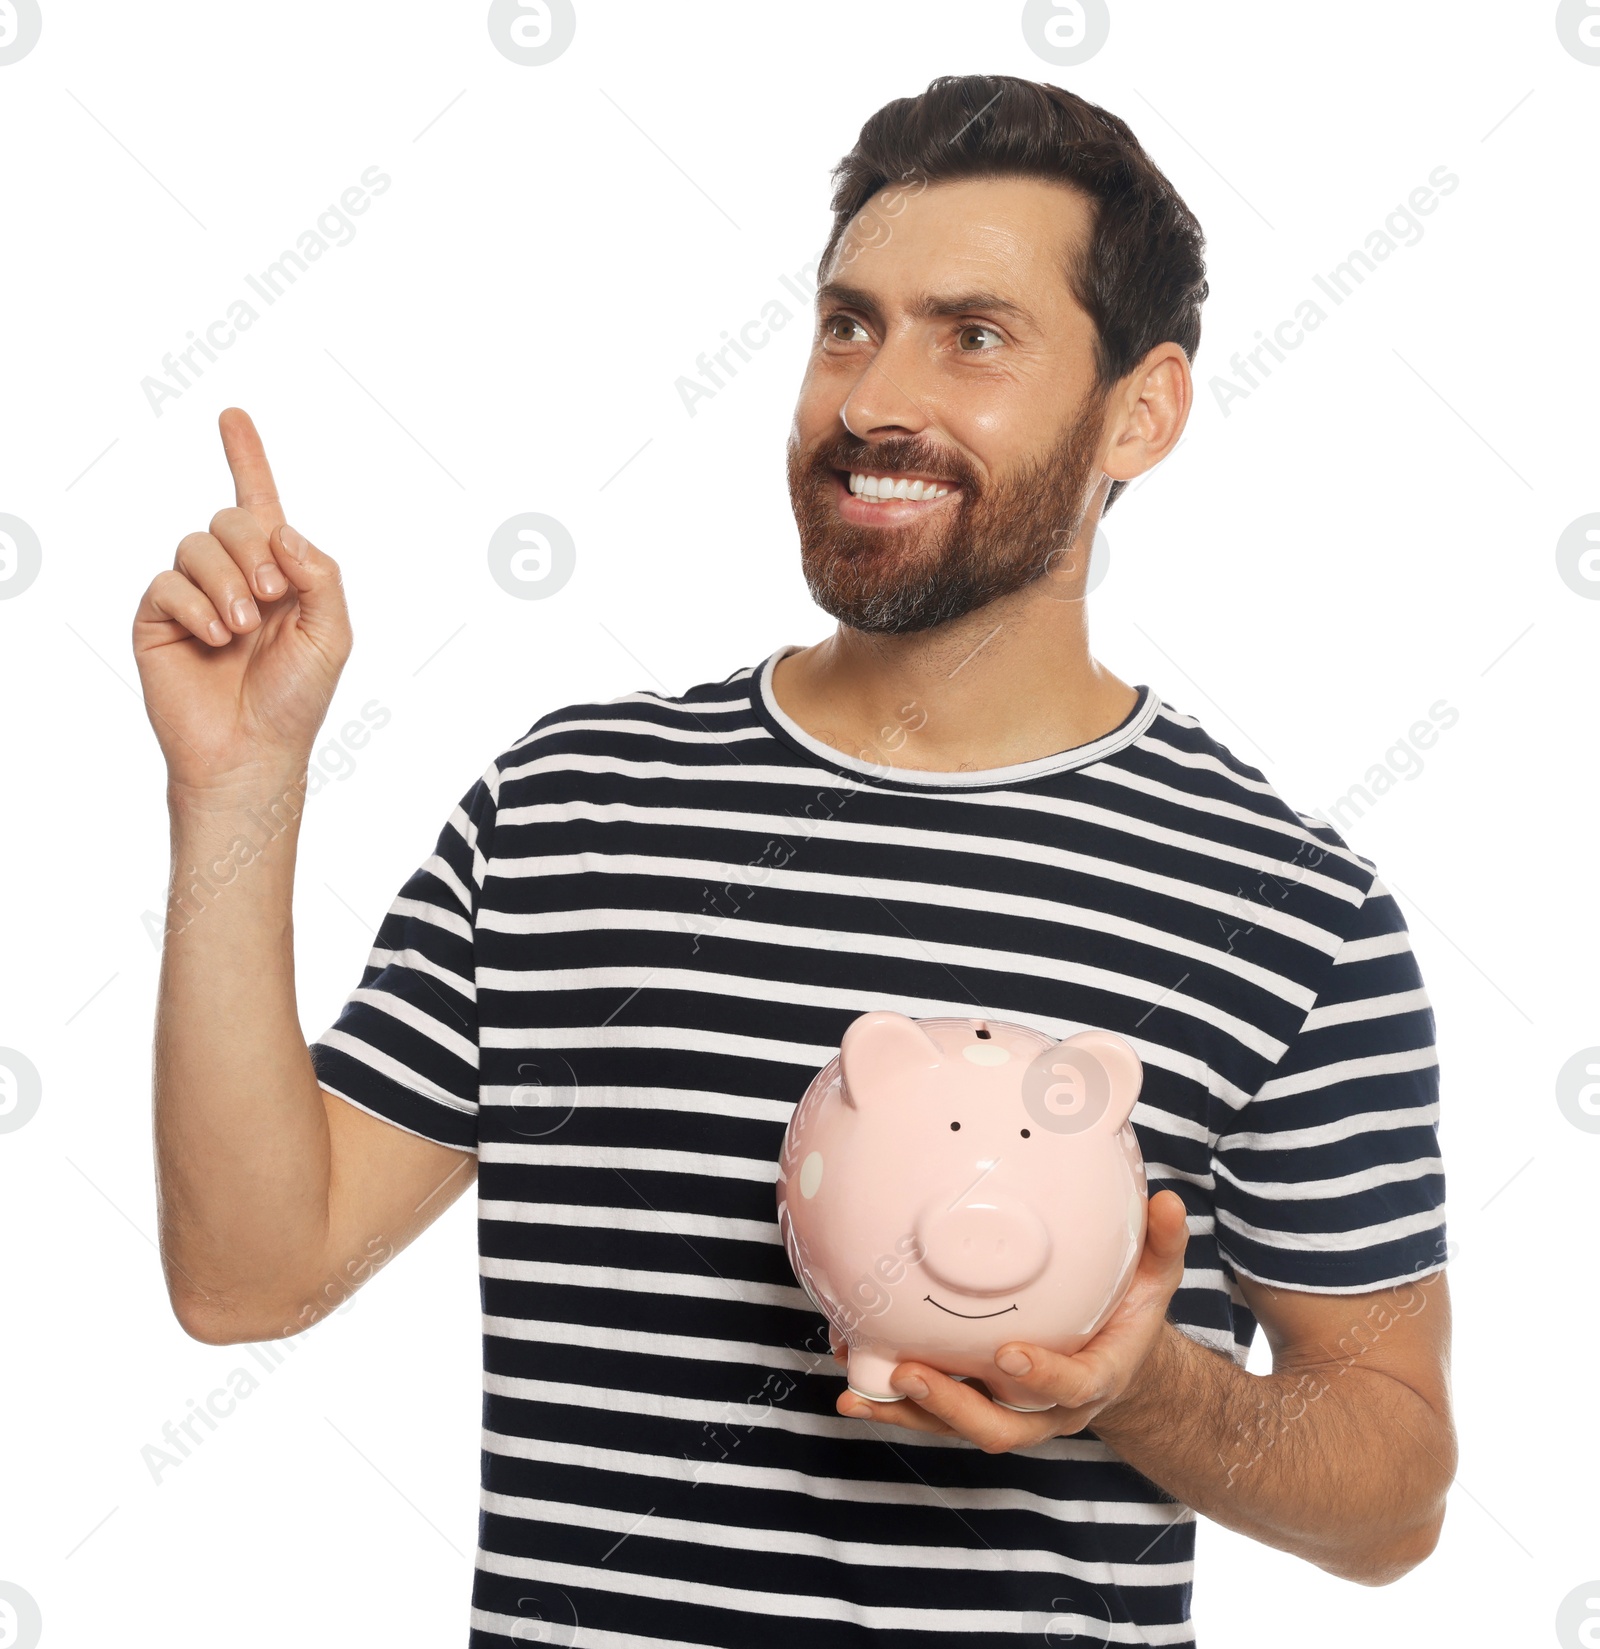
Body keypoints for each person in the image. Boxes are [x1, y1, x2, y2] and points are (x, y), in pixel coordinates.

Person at [134, 73, 1455, 1649]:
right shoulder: (570, 809)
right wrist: (241, 791)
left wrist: (1147, 1384)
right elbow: (248, 1273)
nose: (872, 400)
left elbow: (1395, 1497)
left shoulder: (1287, 911)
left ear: (1140, 411)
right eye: (849, 324)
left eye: (973, 336)